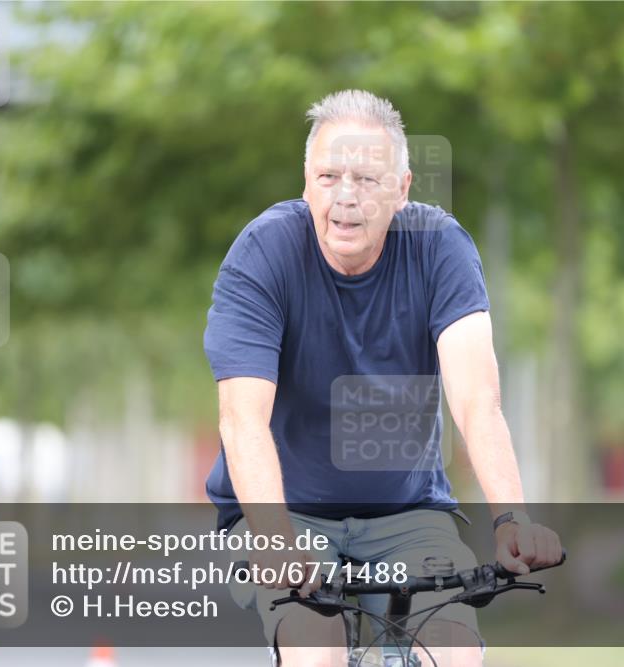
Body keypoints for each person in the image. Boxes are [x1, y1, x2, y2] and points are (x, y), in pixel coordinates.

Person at [203, 89, 562, 667]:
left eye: (367, 179)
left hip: (408, 514)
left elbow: (477, 401)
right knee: (313, 649)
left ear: (401, 188)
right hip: (289, 515)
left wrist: (511, 519)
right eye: (328, 176)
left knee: (455, 653)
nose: (345, 197)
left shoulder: (439, 248)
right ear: (305, 182)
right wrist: (274, 538)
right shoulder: (263, 253)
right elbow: (242, 419)